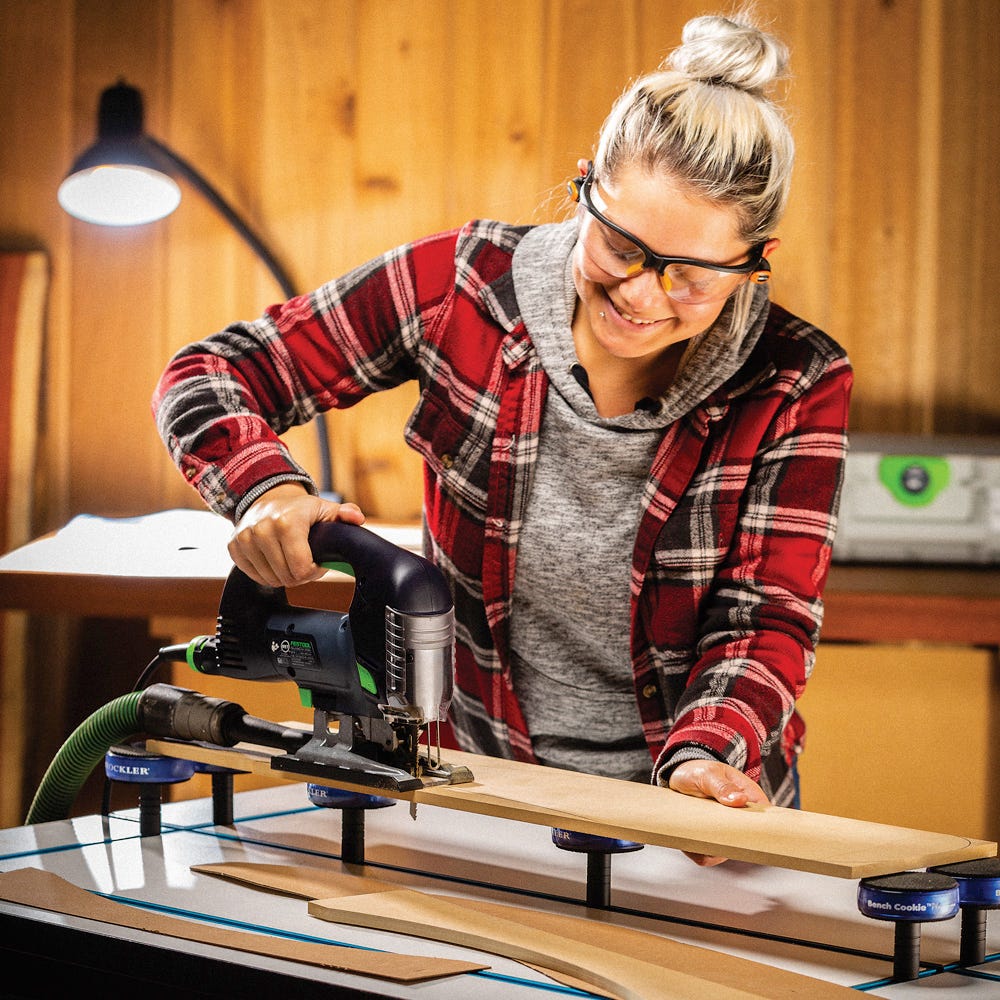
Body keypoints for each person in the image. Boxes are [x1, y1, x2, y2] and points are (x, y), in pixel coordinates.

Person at [153, 9, 852, 866]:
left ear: (757, 259)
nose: (641, 293)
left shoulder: (797, 378)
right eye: (623, 247)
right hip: (482, 795)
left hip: (694, 824)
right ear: (587, 184)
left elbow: (766, 617)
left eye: (690, 275)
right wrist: (267, 489)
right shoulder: (463, 287)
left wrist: (708, 757)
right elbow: (209, 373)